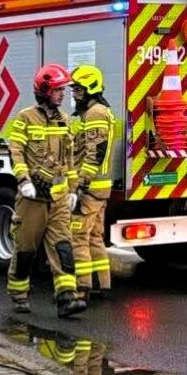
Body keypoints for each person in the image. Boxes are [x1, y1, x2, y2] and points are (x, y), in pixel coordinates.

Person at [6, 64, 85, 318]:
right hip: (33, 199)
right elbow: (15, 151)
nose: (63, 94)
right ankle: (19, 295)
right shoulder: (25, 118)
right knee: (25, 249)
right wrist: (23, 180)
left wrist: (72, 190)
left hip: (59, 198)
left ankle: (66, 298)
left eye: (63, 90)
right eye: (58, 90)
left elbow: (69, 160)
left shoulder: (65, 120)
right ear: (44, 90)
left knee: (63, 247)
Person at [68, 64, 116, 305]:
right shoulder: (98, 111)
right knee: (95, 236)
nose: (74, 94)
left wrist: (80, 184)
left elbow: (94, 153)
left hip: (89, 188)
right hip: (99, 188)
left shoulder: (95, 114)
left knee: (78, 238)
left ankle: (82, 288)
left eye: (78, 89)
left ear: (91, 88)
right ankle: (103, 285)